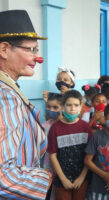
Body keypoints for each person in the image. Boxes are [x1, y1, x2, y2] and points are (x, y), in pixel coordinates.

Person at [0, 10, 51, 199]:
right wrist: (45, 179)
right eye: (31, 50)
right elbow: (2, 175)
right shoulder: (5, 97)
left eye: (36, 51)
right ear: (4, 50)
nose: (38, 59)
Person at [47, 90, 92, 200]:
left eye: (76, 105)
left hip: (81, 179)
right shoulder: (55, 128)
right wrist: (63, 179)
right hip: (61, 180)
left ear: (81, 106)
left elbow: (89, 155)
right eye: (69, 105)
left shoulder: (85, 127)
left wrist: (82, 177)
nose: (72, 108)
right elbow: (52, 156)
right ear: (62, 106)